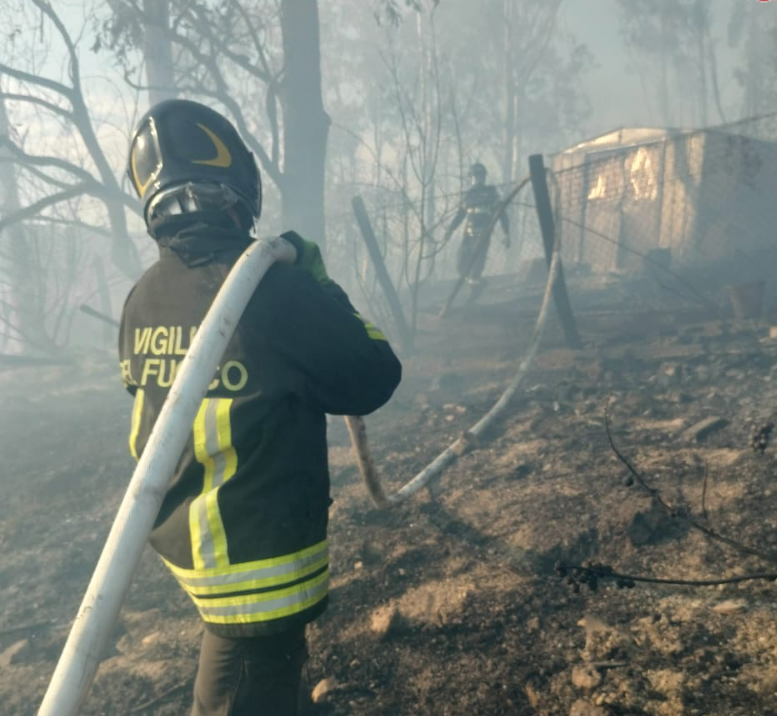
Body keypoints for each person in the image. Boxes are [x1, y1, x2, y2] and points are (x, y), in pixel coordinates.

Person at [118, 99, 402, 716]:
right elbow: (374, 376)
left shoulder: (143, 297)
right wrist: (319, 283)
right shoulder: (273, 289)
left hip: (195, 548)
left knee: (260, 678)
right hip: (257, 563)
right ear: (238, 190)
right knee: (242, 690)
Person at [444, 162, 511, 286]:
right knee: (461, 261)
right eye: (474, 175)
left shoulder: (491, 193)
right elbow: (460, 215)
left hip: (483, 232)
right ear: (470, 178)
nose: (476, 178)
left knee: (478, 259)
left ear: (484, 177)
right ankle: (468, 281)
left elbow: (502, 214)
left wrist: (506, 232)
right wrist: (450, 230)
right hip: (468, 233)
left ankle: (475, 282)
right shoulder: (468, 195)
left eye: (479, 175)